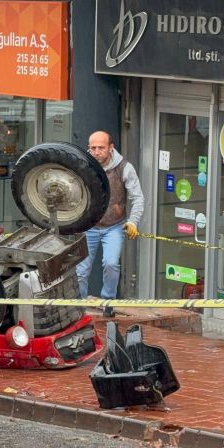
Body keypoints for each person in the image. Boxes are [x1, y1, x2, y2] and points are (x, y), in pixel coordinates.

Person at [76, 131, 145, 312]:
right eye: (93, 148)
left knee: (111, 263)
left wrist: (133, 222)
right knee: (81, 270)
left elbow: (138, 198)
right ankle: (80, 306)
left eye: (101, 148)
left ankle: (108, 302)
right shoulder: (83, 166)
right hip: (88, 225)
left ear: (111, 148)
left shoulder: (124, 168)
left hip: (114, 226)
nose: (96, 152)